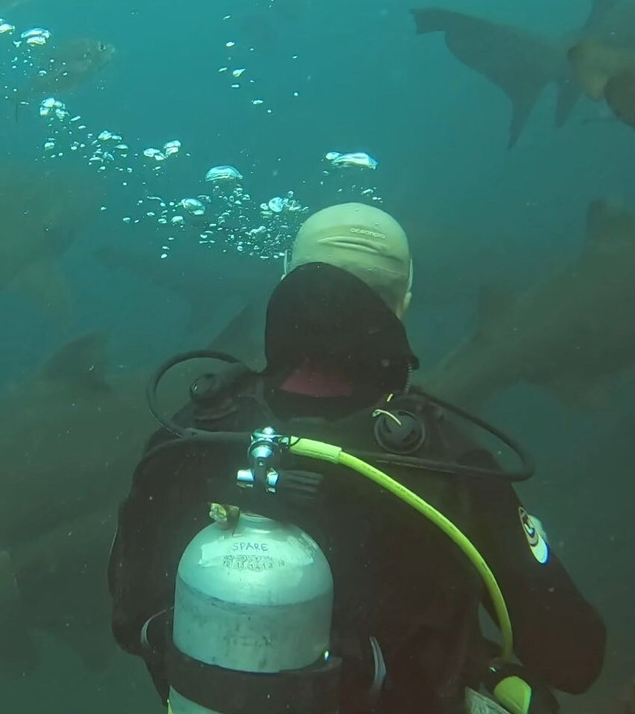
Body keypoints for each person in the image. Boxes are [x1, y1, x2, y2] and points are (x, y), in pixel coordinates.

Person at [108, 202, 606, 714]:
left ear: (285, 283)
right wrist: (478, 665)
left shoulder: (193, 436)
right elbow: (575, 658)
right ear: (404, 305)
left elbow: (132, 623)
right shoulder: (447, 459)